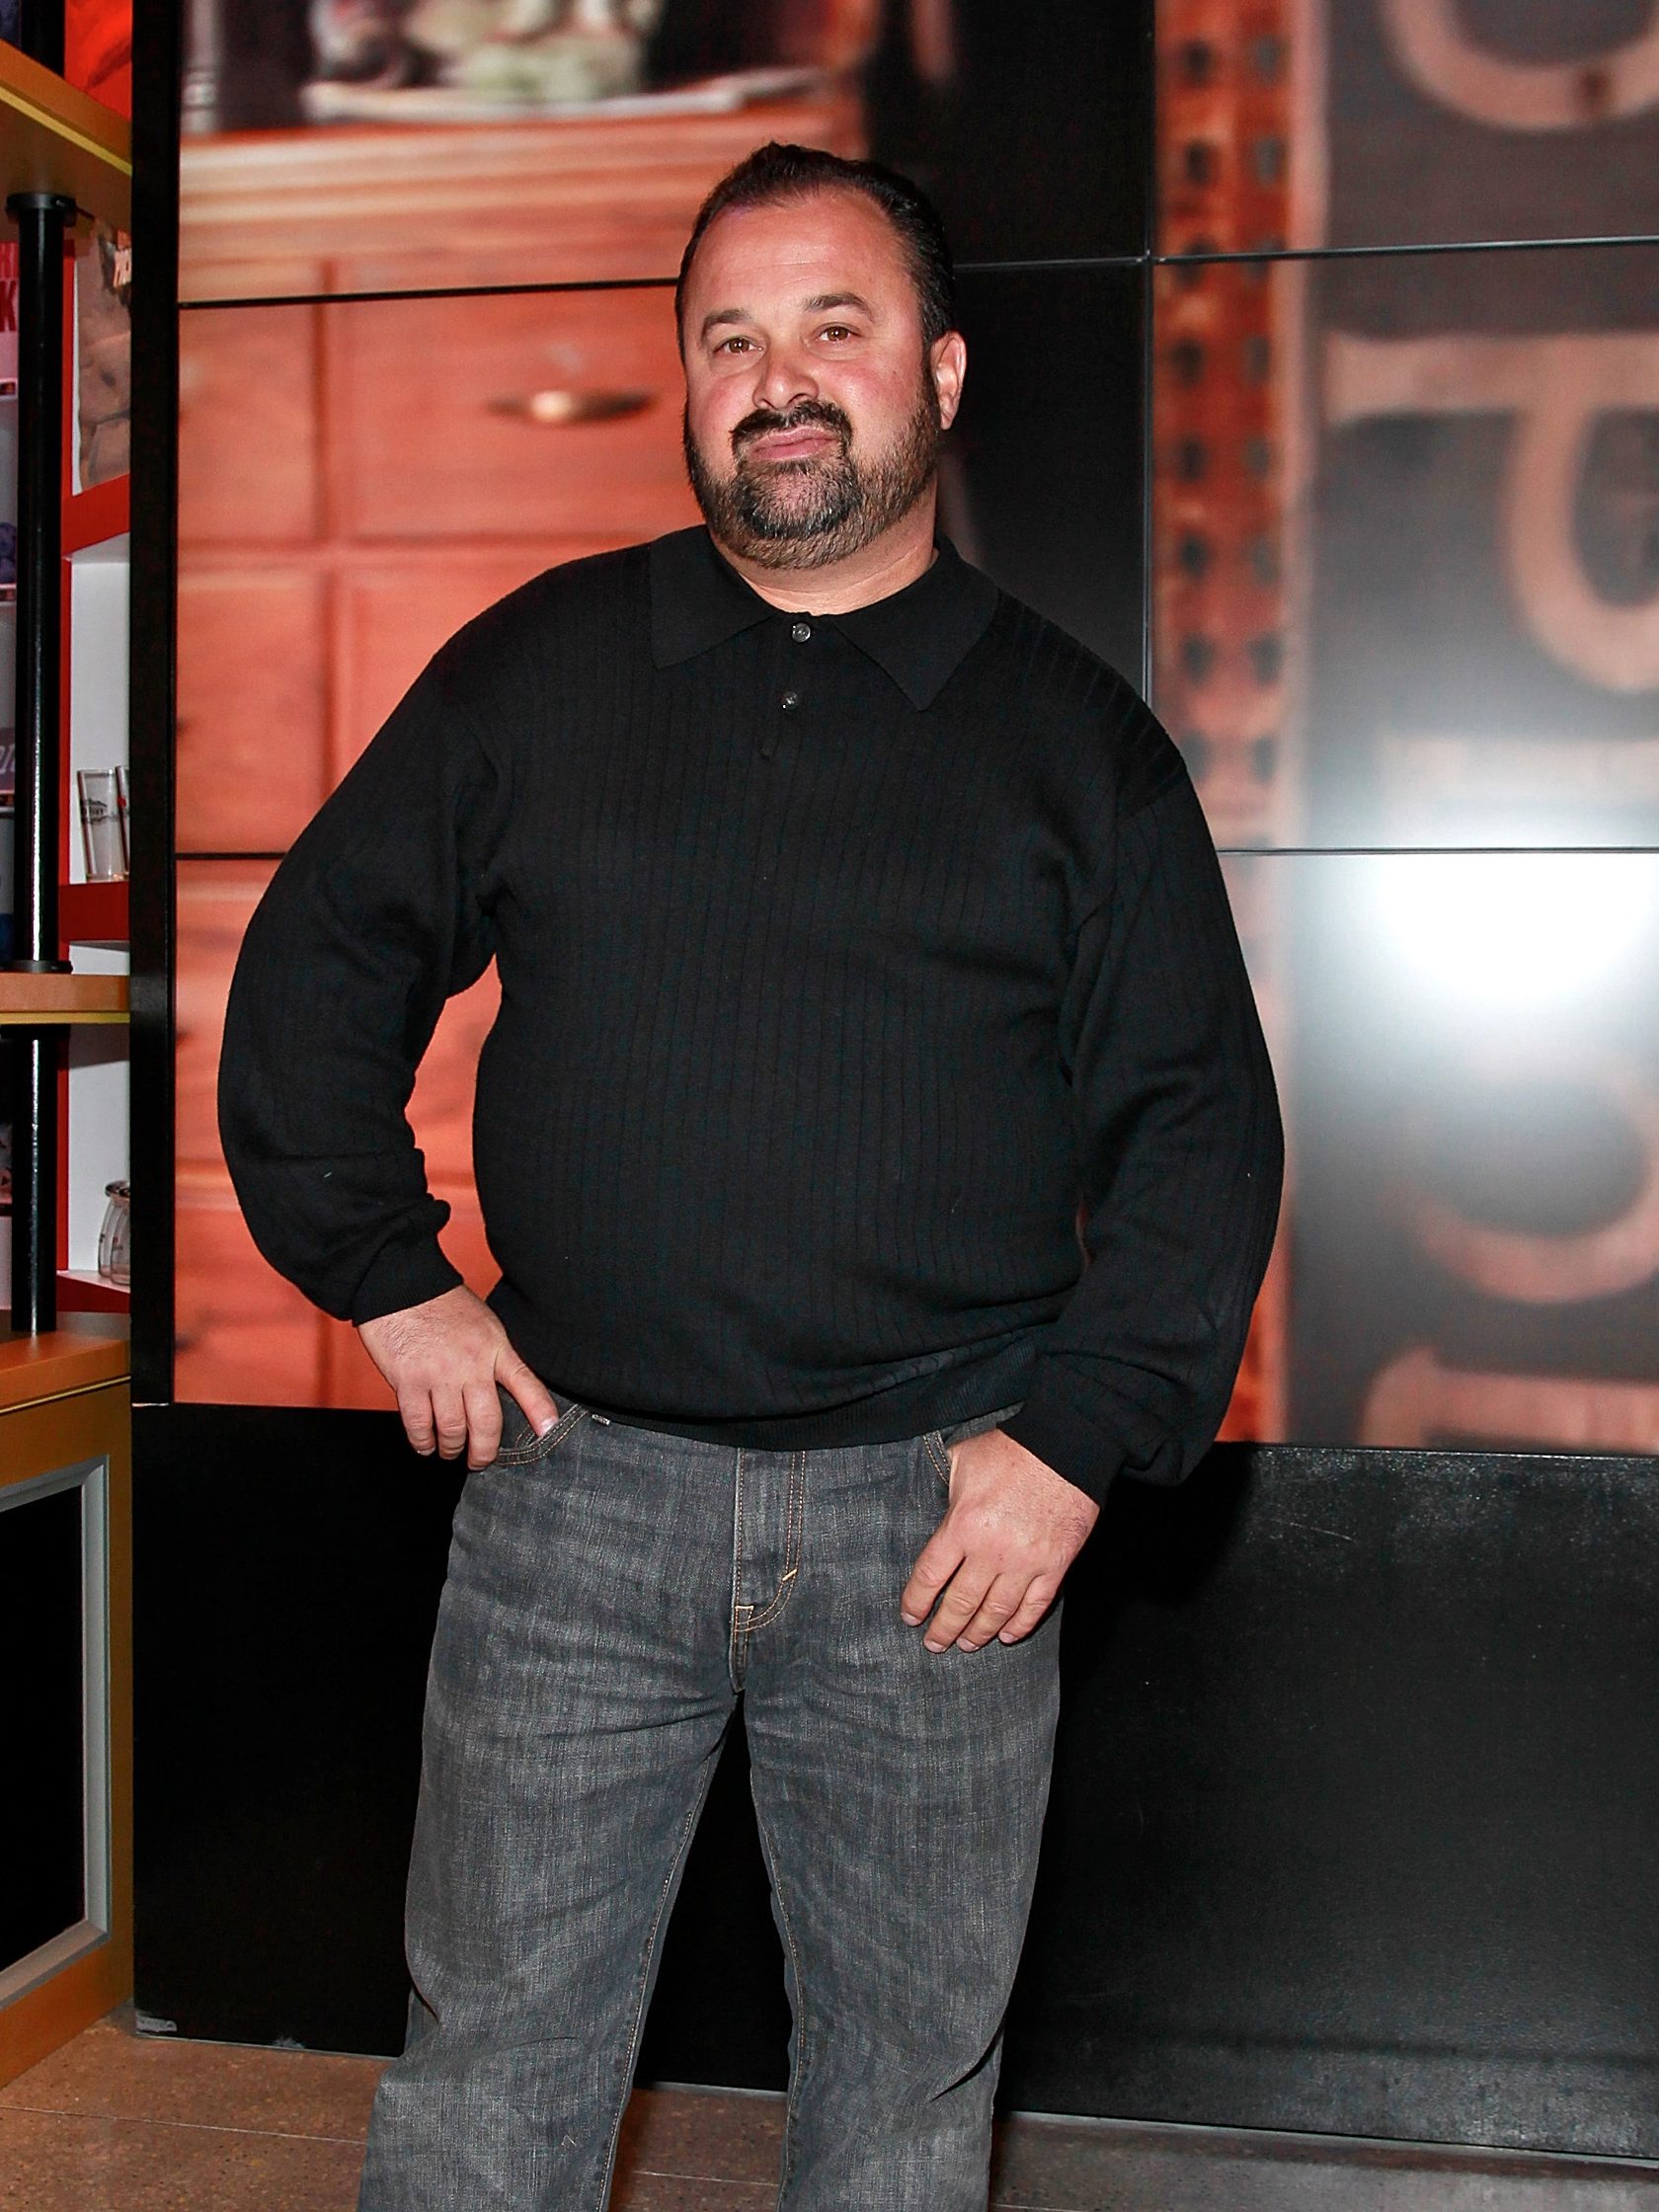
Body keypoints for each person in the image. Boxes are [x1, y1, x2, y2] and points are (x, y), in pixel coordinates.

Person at [219, 141, 1283, 2212]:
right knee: (488, 2086)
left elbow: (1197, 1125)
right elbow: (318, 970)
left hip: (941, 1540)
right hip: (572, 1505)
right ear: (688, 388)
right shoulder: (538, 670)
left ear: (943, 376)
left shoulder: (1080, 749)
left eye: (834, 328)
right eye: (730, 339)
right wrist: (387, 1273)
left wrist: (1070, 1448)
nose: (777, 379)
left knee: (899, 2107)